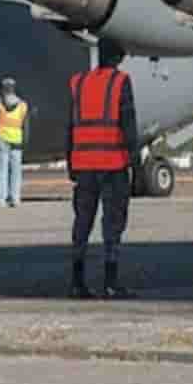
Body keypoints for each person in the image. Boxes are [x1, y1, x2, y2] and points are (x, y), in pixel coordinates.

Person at [67, 39, 141, 300]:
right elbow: (128, 124)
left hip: (84, 163)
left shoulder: (79, 82)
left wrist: (70, 163)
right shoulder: (121, 82)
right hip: (113, 163)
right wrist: (136, 164)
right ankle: (110, 283)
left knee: (82, 223)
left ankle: (77, 282)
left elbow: (71, 124)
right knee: (112, 224)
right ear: (118, 58)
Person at [0, 77, 30, 208]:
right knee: (16, 171)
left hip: (1, 138)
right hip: (17, 140)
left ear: (2, 89)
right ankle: (15, 198)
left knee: (1, 170)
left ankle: (0, 199)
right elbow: (26, 125)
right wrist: (25, 140)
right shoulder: (23, 105)